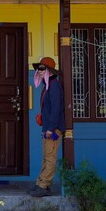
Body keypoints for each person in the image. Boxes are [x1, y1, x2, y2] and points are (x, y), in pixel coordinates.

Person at [28, 57, 65, 197]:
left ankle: (44, 185)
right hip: (48, 128)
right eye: (38, 68)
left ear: (49, 71)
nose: (39, 71)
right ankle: (41, 183)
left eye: (42, 68)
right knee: (46, 156)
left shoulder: (54, 85)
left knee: (50, 157)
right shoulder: (47, 86)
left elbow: (56, 108)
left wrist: (50, 128)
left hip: (53, 129)